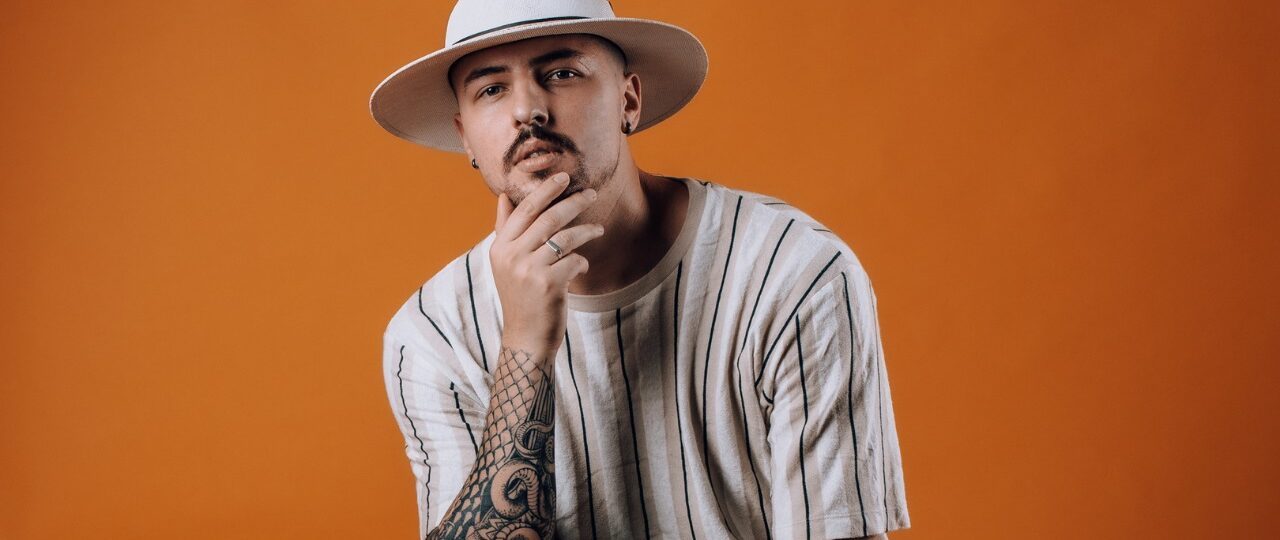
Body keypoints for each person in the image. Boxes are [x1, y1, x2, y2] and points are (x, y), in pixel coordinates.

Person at [371, 1, 910, 538]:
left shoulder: (793, 274)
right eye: (492, 89)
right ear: (465, 136)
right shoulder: (433, 335)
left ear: (628, 100)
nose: (528, 110)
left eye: (562, 73)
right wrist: (525, 347)